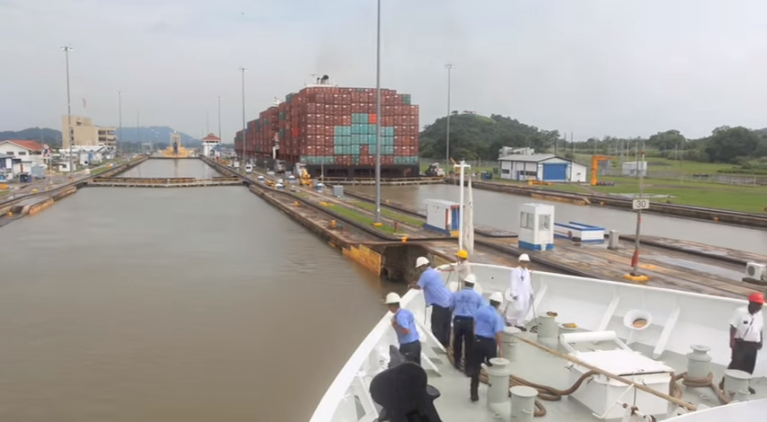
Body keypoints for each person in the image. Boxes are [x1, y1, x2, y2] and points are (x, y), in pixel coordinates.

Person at [720, 292, 764, 393]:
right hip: (740, 343)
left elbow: (760, 328)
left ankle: (744, 385)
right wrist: (732, 343)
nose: (759, 307)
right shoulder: (740, 312)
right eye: (757, 304)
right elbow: (733, 327)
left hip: (753, 345)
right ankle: (724, 382)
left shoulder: (759, 314)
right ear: (751, 303)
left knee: (749, 367)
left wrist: (761, 341)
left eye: (760, 305)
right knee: (736, 364)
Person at [468, 291, 505, 402]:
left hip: (477, 341)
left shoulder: (479, 310)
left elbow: (474, 322)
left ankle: (474, 395)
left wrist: (475, 334)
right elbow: (498, 334)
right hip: (489, 343)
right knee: (492, 368)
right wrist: (501, 350)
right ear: (499, 304)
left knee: (475, 368)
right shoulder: (497, 317)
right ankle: (493, 392)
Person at [409, 256, 453, 348]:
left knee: (436, 326)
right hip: (448, 300)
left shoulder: (426, 274)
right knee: (446, 325)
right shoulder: (434, 272)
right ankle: (446, 344)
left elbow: (418, 286)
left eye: (420, 268)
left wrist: (410, 285)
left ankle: (439, 346)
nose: (419, 270)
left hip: (440, 303)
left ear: (424, 266)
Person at [451, 273, 485, 373]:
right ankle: (468, 368)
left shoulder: (456, 294)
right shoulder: (477, 297)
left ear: (465, 283)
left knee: (457, 341)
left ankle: (457, 362)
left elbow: (450, 307)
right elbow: (481, 309)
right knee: (469, 344)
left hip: (458, 319)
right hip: (470, 321)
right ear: (474, 285)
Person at [385, 292, 421, 365]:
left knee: (407, 368)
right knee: (416, 367)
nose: (388, 308)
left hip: (408, 346)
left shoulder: (400, 317)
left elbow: (406, 330)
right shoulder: (406, 312)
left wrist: (395, 325)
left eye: (388, 306)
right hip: (416, 343)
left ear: (392, 306)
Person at [503, 254, 533, 330]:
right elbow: (513, 282)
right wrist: (514, 293)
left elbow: (528, 283)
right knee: (516, 308)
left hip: (525, 293)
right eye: (523, 262)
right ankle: (508, 319)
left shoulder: (527, 272)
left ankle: (519, 323)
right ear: (520, 262)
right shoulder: (515, 271)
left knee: (524, 308)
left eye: (526, 262)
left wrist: (530, 291)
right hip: (518, 293)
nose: (525, 264)